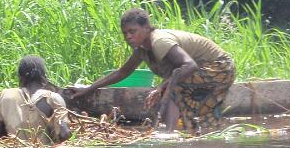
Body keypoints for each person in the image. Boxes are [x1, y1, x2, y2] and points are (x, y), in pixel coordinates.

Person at [68, 8, 235, 134]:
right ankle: (178, 132)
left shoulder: (159, 41)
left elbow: (189, 65)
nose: (128, 37)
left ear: (147, 28)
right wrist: (88, 89)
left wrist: (161, 87)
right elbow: (121, 73)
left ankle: (168, 134)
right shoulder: (142, 49)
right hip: (203, 73)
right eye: (125, 33)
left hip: (220, 67)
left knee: (171, 87)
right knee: (170, 89)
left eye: (133, 31)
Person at [0, 56, 71, 145]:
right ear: (44, 76)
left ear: (20, 76)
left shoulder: (5, 96)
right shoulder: (52, 98)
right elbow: (64, 134)